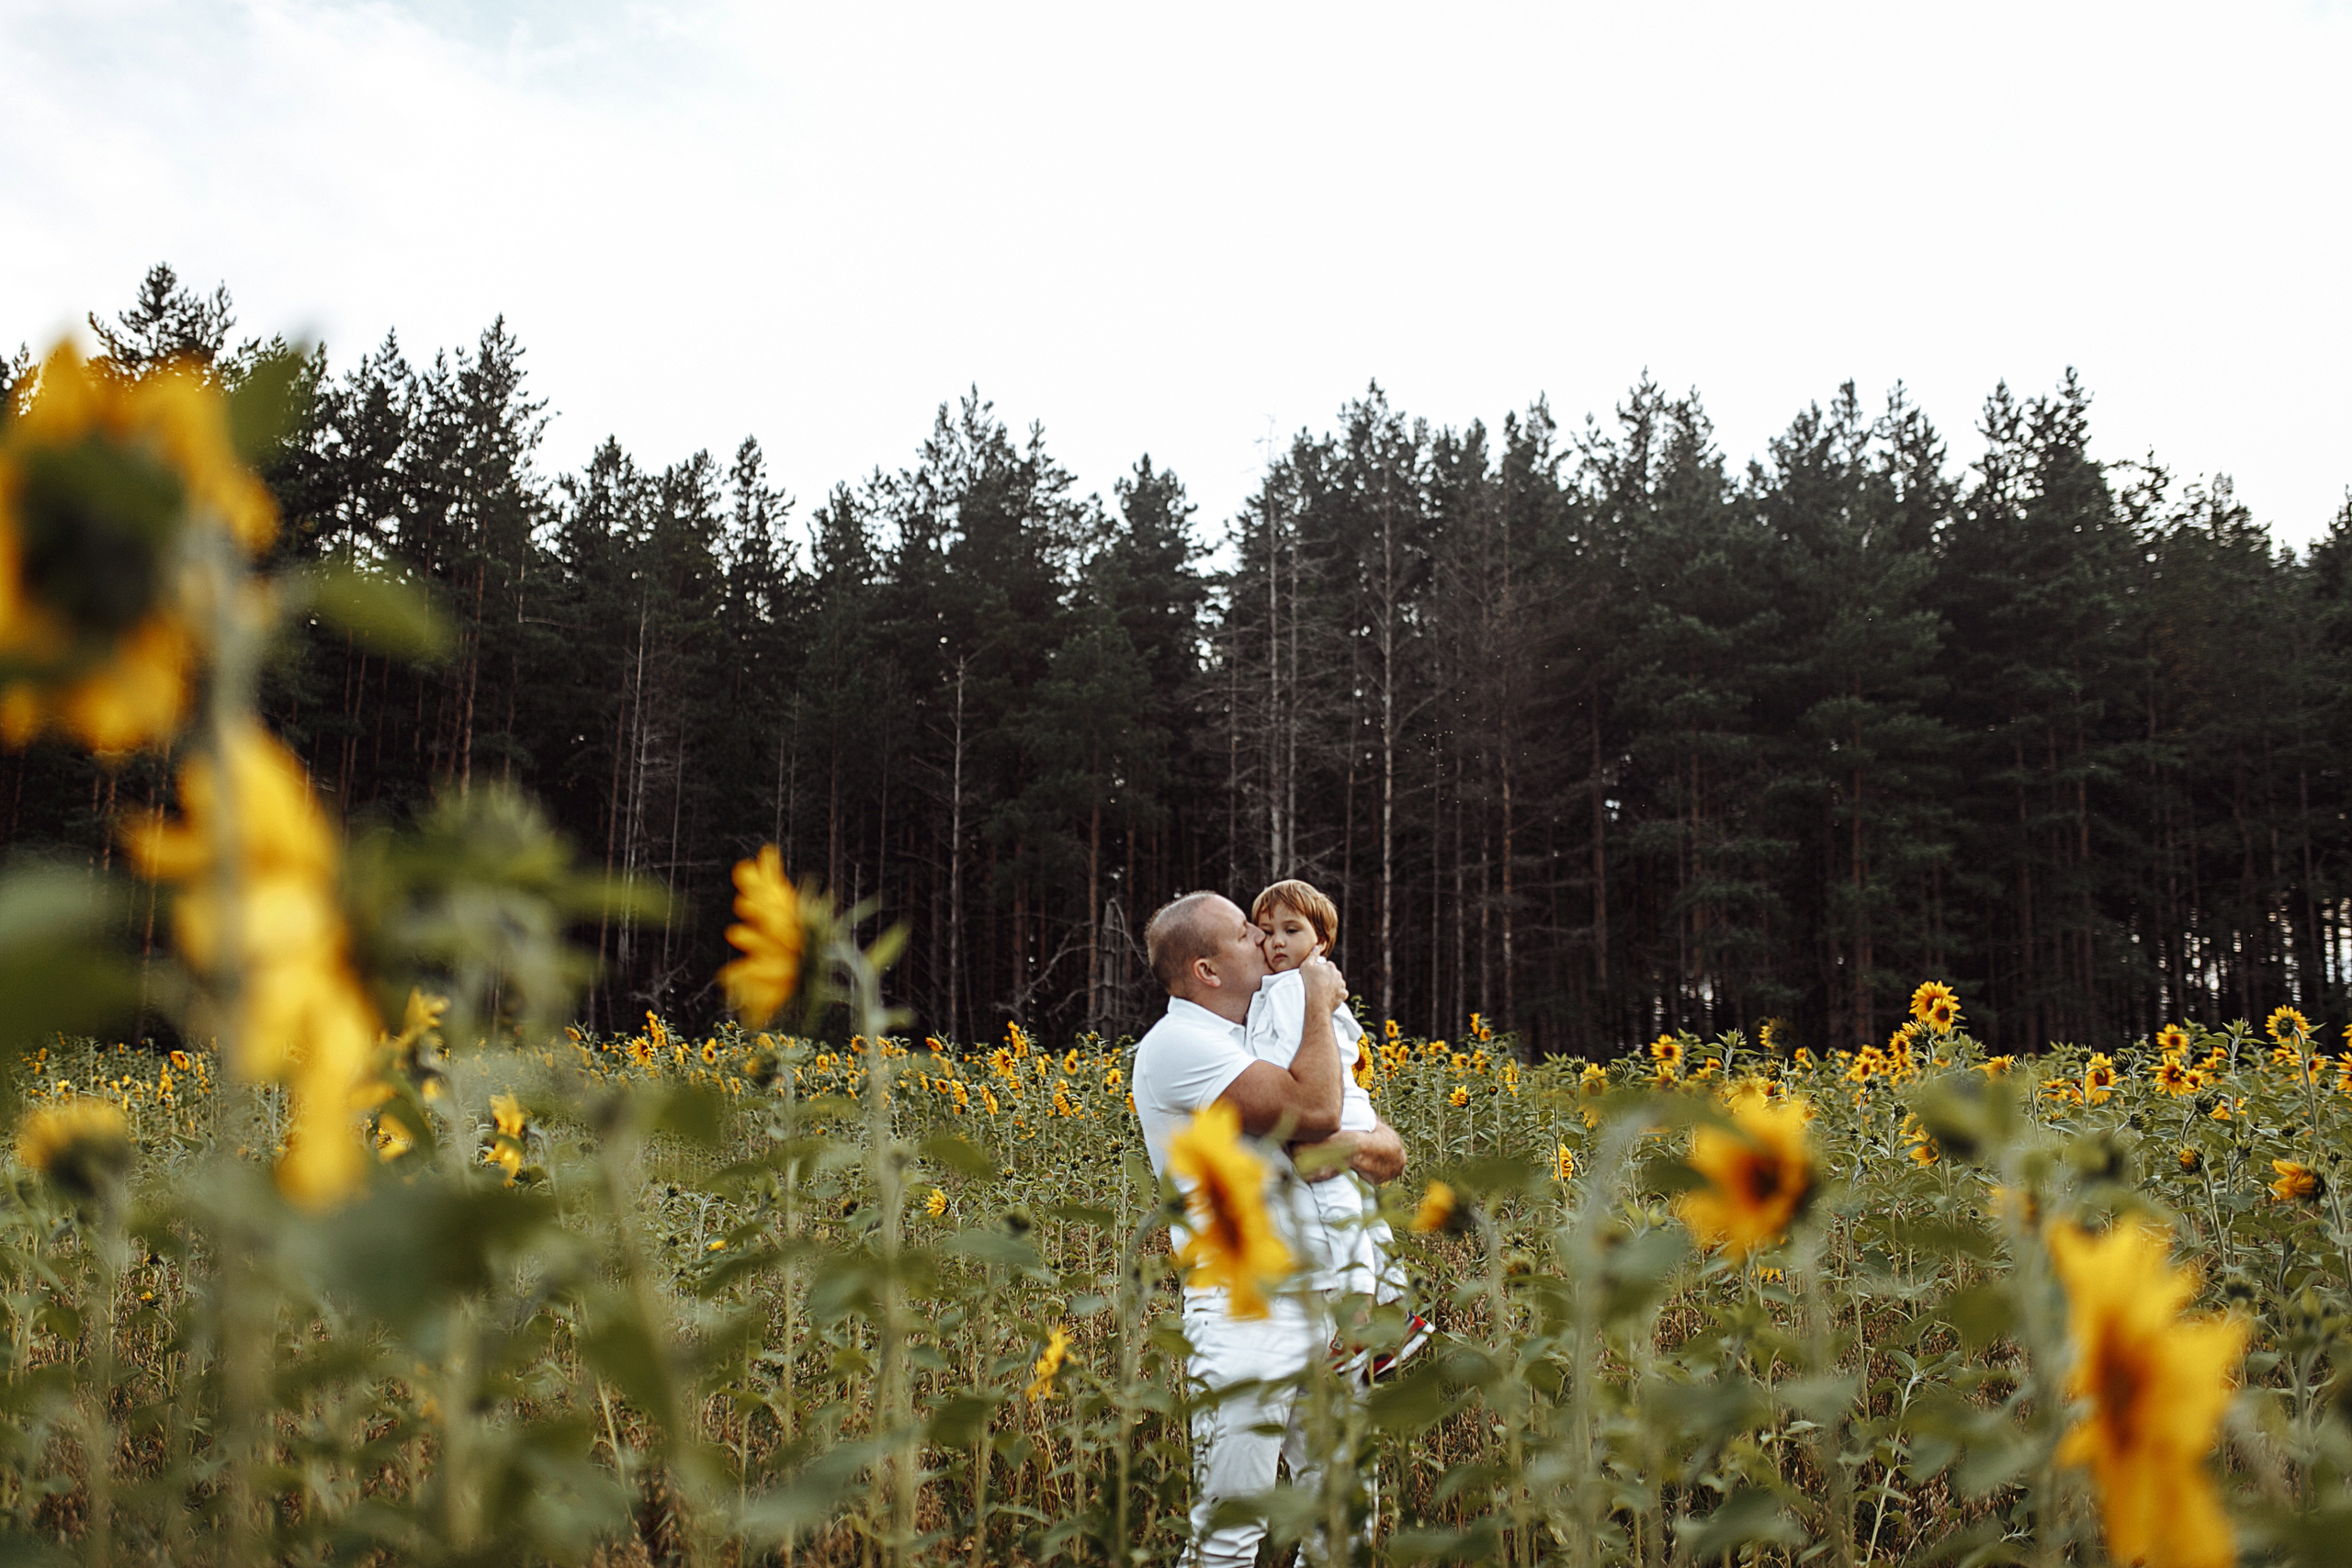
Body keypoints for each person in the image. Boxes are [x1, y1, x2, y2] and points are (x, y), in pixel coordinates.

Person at [1130, 890, 1405, 1568]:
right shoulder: (1179, 1044)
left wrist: (1347, 1144)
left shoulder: (1260, 1032)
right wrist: (1316, 993)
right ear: (1207, 970)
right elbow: (1315, 1109)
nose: (1264, 939)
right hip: (1245, 1312)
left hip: (1328, 1305)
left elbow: (1386, 1150)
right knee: (1230, 1532)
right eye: (1246, 933)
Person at [1248, 878, 1431, 1378]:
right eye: (1266, 932)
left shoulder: (1294, 989)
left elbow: (1281, 1057)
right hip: (1350, 1105)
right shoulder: (1301, 986)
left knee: (1338, 1206)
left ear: (1321, 941)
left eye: (1291, 929)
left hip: (1329, 1108)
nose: (1276, 942)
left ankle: (1357, 1320)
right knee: (1366, 1213)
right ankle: (1398, 1317)